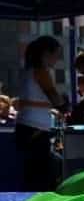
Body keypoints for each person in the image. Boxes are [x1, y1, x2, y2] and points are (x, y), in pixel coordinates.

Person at [16, 36, 66, 192]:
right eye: (56, 55)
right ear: (46, 53)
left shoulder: (27, 72)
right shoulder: (41, 72)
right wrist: (64, 105)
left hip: (25, 126)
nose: (57, 59)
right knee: (42, 175)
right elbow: (52, 95)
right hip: (36, 129)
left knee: (31, 173)